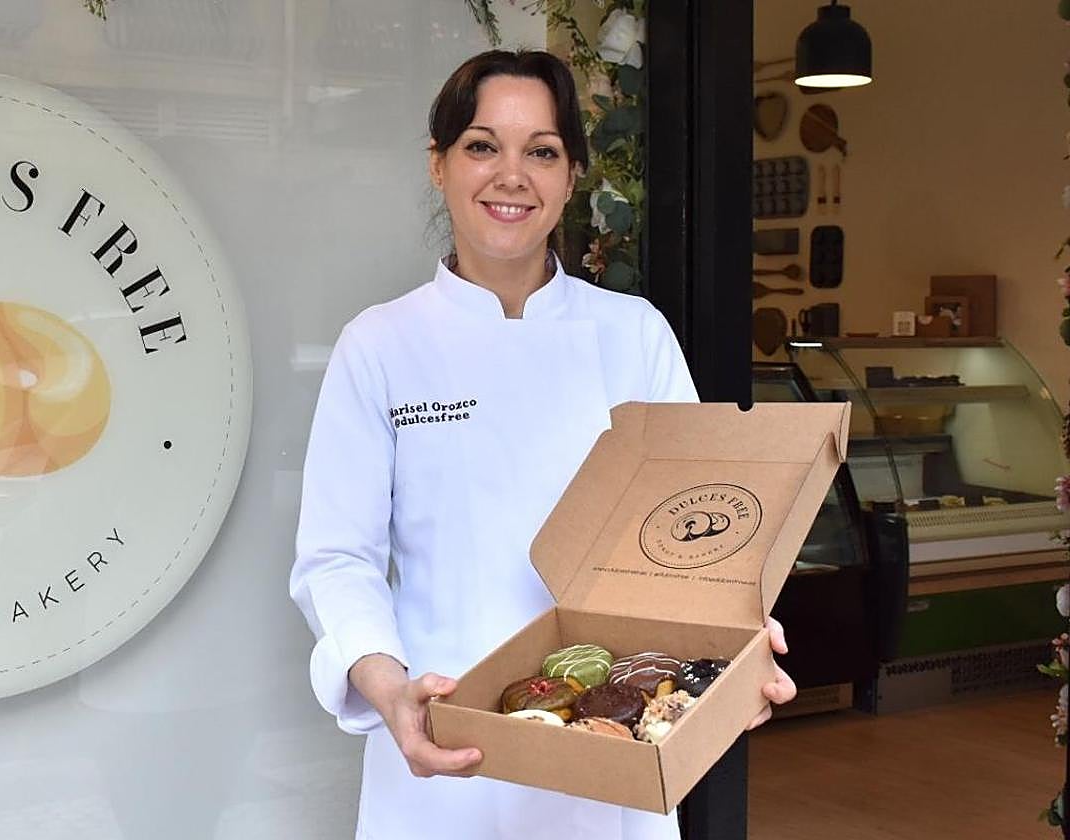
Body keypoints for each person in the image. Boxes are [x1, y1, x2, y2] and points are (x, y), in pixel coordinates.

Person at [290, 49, 796, 840]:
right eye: (483, 146)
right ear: (440, 164)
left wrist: (729, 653)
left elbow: (700, 542)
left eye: (543, 151)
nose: (511, 175)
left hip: (612, 742)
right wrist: (390, 689)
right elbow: (337, 558)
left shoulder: (634, 336)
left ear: (571, 176)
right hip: (443, 728)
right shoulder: (381, 345)